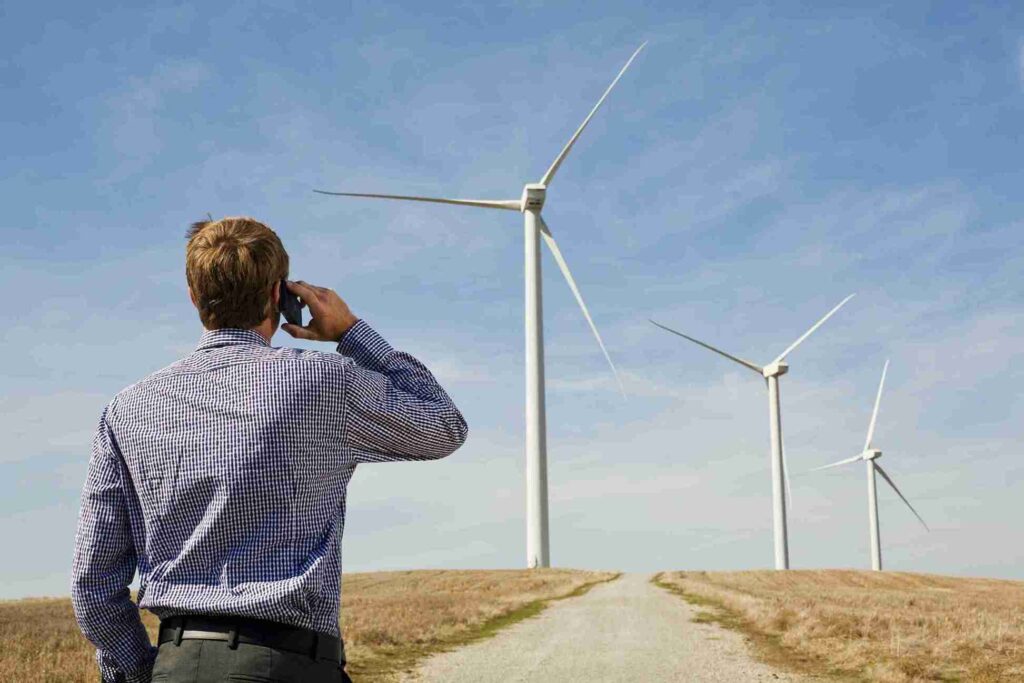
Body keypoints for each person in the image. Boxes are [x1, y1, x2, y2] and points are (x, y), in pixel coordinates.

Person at [71, 217, 468, 682]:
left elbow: (93, 585)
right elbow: (442, 424)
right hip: (290, 665)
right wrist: (351, 332)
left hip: (176, 664)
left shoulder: (126, 409)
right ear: (281, 296)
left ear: (193, 296)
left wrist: (149, 672)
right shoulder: (321, 383)